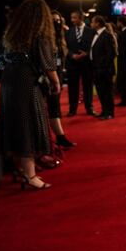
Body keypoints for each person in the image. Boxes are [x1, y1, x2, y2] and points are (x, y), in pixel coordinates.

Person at [0, 0, 61, 190]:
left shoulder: (13, 33)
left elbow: (0, 58)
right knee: (29, 125)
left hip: (9, 81)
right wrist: (56, 83)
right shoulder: (39, 35)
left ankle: (23, 170)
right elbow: (48, 65)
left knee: (16, 124)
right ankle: (30, 176)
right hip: (26, 81)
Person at [47, 11, 75, 148]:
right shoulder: (45, 37)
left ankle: (59, 137)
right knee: (52, 106)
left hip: (58, 73)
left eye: (58, 20)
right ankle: (59, 137)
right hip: (48, 76)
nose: (56, 23)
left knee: (54, 106)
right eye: (53, 20)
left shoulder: (61, 37)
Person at [64, 10, 96, 116]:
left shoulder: (91, 31)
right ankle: (72, 109)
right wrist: (72, 55)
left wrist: (86, 54)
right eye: (71, 18)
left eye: (74, 18)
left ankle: (89, 108)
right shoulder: (68, 32)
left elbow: (94, 46)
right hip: (72, 64)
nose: (72, 20)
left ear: (81, 18)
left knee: (88, 87)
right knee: (72, 87)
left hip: (87, 64)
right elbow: (65, 47)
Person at [89, 16, 116, 120]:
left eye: (92, 22)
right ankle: (104, 111)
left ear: (98, 23)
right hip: (96, 69)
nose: (91, 24)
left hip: (104, 70)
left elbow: (111, 54)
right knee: (101, 92)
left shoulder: (107, 35)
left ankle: (109, 113)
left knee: (107, 92)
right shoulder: (95, 34)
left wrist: (101, 66)